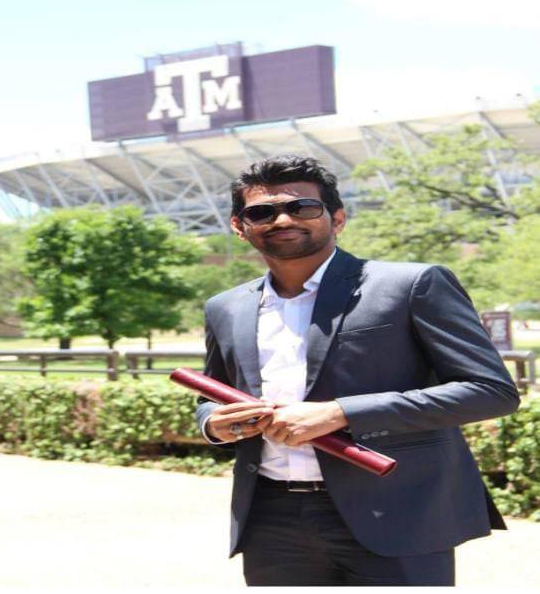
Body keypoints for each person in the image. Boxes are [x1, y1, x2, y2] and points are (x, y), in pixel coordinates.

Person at [195, 155, 519, 587]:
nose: (282, 219)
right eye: (262, 212)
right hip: (271, 519)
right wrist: (214, 424)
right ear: (240, 226)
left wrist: (341, 413)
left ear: (338, 218)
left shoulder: (411, 285)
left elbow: (491, 390)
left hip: (397, 510)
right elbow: (211, 396)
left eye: (302, 207)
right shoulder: (224, 307)